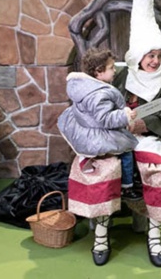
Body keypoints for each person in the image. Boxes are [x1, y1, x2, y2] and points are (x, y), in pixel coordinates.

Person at [112, 0, 161, 268]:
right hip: (117, 138)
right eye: (150, 55)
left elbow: (160, 115)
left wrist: (142, 123)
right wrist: (119, 121)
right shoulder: (121, 77)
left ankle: (154, 236)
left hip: (148, 139)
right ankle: (101, 233)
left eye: (159, 56)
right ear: (139, 55)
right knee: (103, 170)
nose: (154, 61)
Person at [57, 47, 142, 265]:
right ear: (98, 72)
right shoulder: (100, 93)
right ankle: (127, 185)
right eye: (111, 68)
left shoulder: (82, 87)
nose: (114, 71)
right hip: (97, 136)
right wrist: (124, 115)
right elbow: (104, 119)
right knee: (127, 149)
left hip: (83, 131)